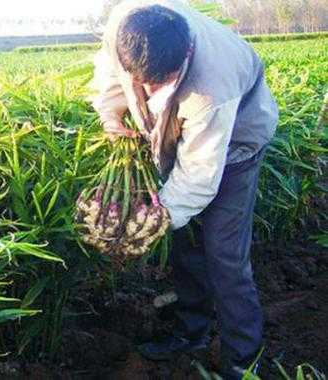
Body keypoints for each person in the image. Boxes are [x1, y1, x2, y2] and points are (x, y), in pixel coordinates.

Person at [89, 0, 279, 378]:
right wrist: (110, 111)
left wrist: (151, 223)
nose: (147, 90)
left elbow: (198, 178)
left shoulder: (211, 89)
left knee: (224, 255)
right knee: (186, 244)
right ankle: (191, 333)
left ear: (184, 57)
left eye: (158, 83)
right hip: (181, 137)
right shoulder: (125, 27)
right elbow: (111, 68)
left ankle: (244, 359)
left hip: (237, 145)